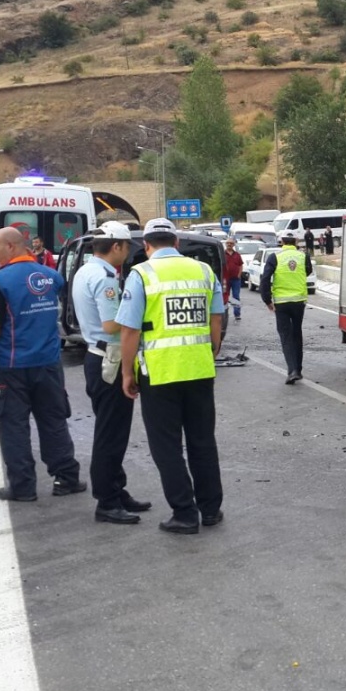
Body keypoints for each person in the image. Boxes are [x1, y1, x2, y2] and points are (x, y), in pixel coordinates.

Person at [117, 218, 225, 535]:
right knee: (202, 442)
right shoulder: (204, 271)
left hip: (160, 373)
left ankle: (184, 513)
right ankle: (210, 509)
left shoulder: (141, 275)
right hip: (200, 370)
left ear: (146, 246)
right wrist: (211, 350)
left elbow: (130, 330)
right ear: (176, 243)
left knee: (167, 447)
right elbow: (215, 317)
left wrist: (127, 373)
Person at [0, 227, 85, 502]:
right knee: (54, 421)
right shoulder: (52, 277)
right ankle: (66, 477)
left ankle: (22, 486)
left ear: (12, 246)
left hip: (13, 366)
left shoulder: (1, 281)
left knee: (13, 425)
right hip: (48, 363)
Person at [69, 222, 152, 525]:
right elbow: (111, 324)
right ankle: (106, 500)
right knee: (111, 434)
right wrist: (142, 314)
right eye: (127, 246)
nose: (129, 251)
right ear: (116, 246)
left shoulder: (84, 271)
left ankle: (117, 490)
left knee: (113, 430)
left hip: (98, 356)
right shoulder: (104, 278)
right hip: (110, 359)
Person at [260, 232, 311, 384]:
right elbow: (308, 271)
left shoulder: (275, 257)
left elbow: (265, 279)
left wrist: (267, 300)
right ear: (296, 241)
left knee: (285, 336)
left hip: (281, 303)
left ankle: (292, 370)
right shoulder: (303, 256)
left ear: (281, 241)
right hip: (299, 301)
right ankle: (298, 369)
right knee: (297, 334)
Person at [222, 239, 244, 322]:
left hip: (236, 280)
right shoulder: (222, 254)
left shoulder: (237, 255)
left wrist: (239, 275)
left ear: (234, 245)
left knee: (236, 296)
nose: (229, 244)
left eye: (231, 243)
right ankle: (224, 313)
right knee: (225, 296)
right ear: (225, 244)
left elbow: (240, 265)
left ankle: (237, 314)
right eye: (227, 243)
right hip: (225, 280)